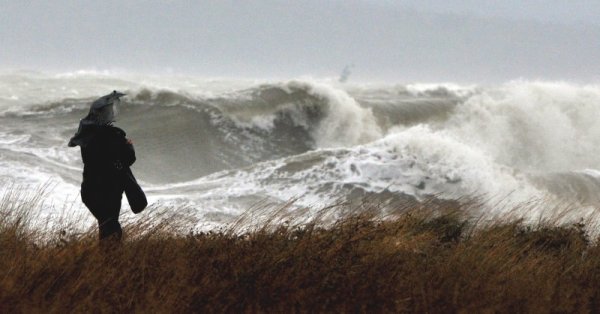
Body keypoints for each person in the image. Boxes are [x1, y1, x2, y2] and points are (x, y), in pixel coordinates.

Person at [68, 91, 146, 241]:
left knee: (106, 226)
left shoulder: (86, 134)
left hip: (90, 191)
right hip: (110, 191)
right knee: (112, 229)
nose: (113, 113)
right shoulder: (113, 135)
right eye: (110, 111)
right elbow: (129, 159)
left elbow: (95, 159)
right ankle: (110, 261)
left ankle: (104, 261)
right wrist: (129, 146)